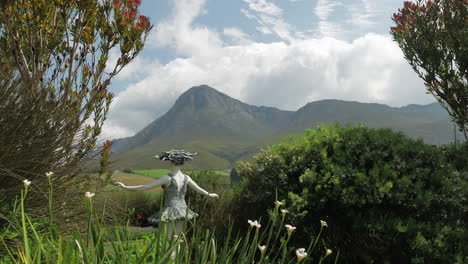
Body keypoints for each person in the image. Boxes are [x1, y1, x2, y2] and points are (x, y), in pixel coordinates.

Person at [112, 150, 219, 241]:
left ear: (171, 162)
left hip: (170, 212)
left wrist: (125, 187)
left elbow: (144, 187)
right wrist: (210, 194)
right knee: (178, 239)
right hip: (183, 211)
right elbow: (199, 189)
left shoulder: (167, 178)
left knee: (167, 239)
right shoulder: (186, 178)